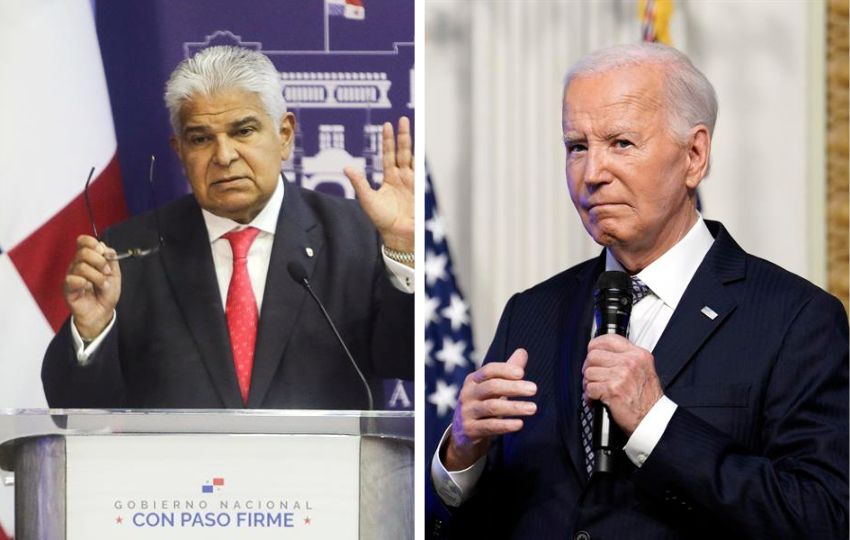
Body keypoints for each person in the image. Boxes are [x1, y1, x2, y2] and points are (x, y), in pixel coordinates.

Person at [430, 43, 848, 539]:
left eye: (621, 143)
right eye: (577, 146)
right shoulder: (531, 313)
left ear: (694, 155)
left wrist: (656, 424)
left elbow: (821, 518)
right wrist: (461, 455)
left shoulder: (795, 319)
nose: (592, 174)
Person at [42, 45, 414, 409]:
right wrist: (92, 329)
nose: (223, 156)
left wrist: (401, 250)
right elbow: (76, 408)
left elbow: (405, 362)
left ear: (284, 135)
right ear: (180, 150)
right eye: (201, 139)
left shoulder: (356, 236)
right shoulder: (127, 251)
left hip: (326, 470)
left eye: (243, 131)